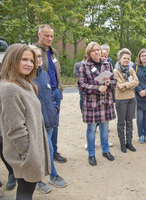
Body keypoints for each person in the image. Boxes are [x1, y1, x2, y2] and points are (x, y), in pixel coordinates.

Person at [0, 44, 50, 200]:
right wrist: (29, 154)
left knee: (27, 190)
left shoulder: (24, 83)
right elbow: (15, 127)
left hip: (31, 152)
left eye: (32, 60)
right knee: (25, 192)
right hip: (25, 155)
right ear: (12, 60)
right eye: (24, 60)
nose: (30, 64)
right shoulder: (9, 88)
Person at [31, 46, 67, 193]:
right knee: (45, 150)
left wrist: (55, 109)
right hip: (37, 122)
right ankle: (44, 178)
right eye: (34, 57)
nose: (38, 59)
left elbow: (50, 95)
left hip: (50, 119)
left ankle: (45, 177)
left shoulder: (45, 74)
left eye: (39, 56)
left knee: (48, 150)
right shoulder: (26, 78)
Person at [78, 42, 116, 166]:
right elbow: (81, 84)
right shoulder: (84, 66)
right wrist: (96, 88)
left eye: (98, 50)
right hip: (92, 103)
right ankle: (91, 154)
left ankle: (105, 150)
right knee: (91, 129)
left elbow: (114, 81)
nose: (97, 52)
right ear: (89, 53)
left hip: (106, 102)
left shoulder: (108, 64)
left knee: (105, 128)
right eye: (94, 50)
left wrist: (109, 83)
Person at [34, 24, 67, 163]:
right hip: (42, 94)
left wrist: (59, 89)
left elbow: (56, 71)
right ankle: (44, 153)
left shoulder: (54, 52)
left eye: (52, 36)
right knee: (43, 124)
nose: (49, 38)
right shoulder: (34, 51)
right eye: (47, 35)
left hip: (56, 91)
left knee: (54, 123)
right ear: (39, 35)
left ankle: (53, 151)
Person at [113, 48, 139, 153]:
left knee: (130, 122)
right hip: (121, 99)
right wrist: (127, 85)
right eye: (124, 58)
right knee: (121, 122)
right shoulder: (115, 71)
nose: (126, 60)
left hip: (131, 99)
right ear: (120, 59)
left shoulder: (131, 70)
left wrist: (125, 84)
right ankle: (122, 143)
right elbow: (120, 86)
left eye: (128, 58)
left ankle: (129, 142)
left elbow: (137, 82)